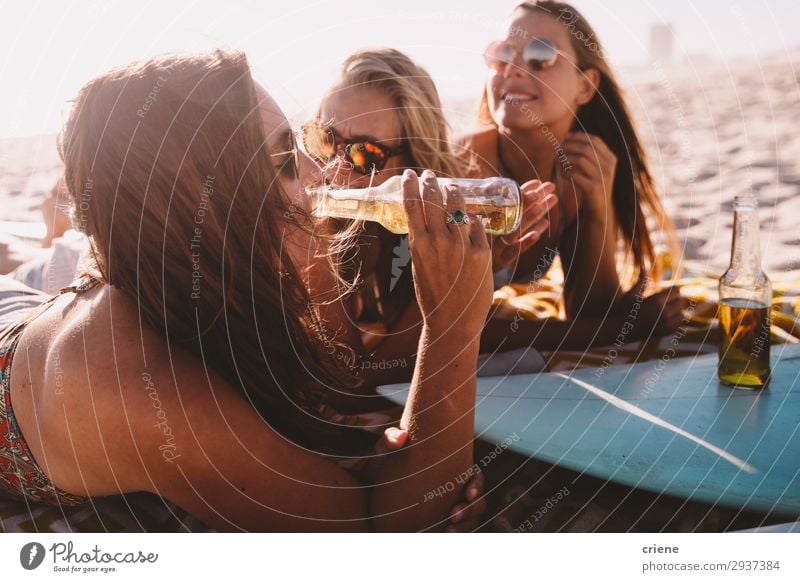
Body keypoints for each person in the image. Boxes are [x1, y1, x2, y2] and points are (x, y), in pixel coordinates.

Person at [0, 50, 491, 532]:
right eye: (282, 159)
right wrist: (453, 322)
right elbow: (371, 539)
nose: (322, 171)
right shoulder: (135, 387)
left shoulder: (200, 272)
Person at [304, 48, 556, 388]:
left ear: (411, 165)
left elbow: (408, 347)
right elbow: (350, 384)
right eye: (324, 139)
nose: (335, 168)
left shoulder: (419, 224)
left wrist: (470, 276)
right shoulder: (309, 230)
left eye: (365, 153)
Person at [459, 0, 687, 353]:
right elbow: (448, 331)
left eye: (540, 55)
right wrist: (617, 330)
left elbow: (588, 310)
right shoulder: (462, 171)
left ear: (585, 86)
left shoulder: (580, 166)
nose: (514, 68)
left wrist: (597, 208)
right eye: (503, 53)